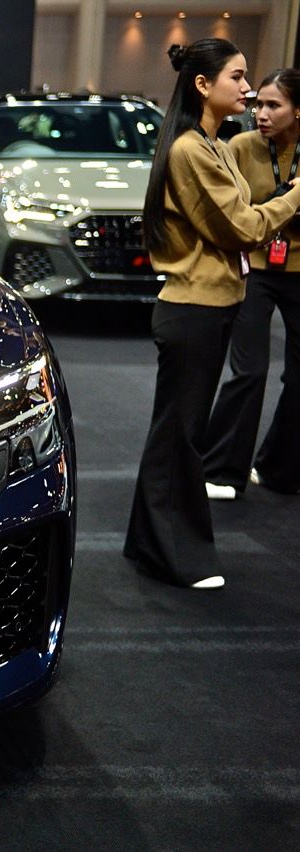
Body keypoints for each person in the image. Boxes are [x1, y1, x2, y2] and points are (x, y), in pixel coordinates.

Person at [124, 39, 300, 590]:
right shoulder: (192, 150)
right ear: (203, 85)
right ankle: (175, 555)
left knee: (176, 433)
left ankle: (150, 544)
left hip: (211, 305)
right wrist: (297, 196)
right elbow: (244, 227)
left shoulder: (212, 144)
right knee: (180, 437)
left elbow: (242, 218)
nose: (248, 89)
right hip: (193, 309)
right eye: (238, 77)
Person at [203, 67, 300, 499]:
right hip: (254, 268)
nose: (261, 113)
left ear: (298, 110)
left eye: (273, 105)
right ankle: (221, 471)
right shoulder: (239, 147)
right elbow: (233, 211)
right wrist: (285, 201)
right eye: (258, 104)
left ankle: (279, 468)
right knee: (250, 370)